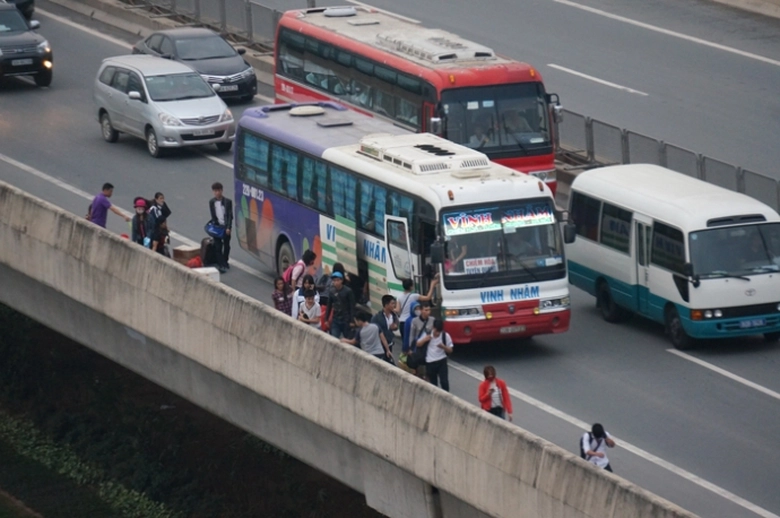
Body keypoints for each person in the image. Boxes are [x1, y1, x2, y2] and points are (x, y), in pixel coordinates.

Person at [396, 276, 439, 342]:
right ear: (411, 287)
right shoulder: (414, 296)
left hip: (402, 323)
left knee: (405, 341)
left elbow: (398, 310)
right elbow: (428, 297)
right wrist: (432, 285)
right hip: (411, 322)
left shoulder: (399, 296)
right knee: (412, 341)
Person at [418, 319, 453, 391]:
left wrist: (443, 347)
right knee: (433, 384)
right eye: (436, 331)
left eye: (439, 332)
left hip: (442, 361)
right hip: (430, 362)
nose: (437, 333)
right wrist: (425, 340)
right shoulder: (427, 334)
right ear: (433, 328)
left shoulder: (445, 335)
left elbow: (450, 350)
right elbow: (418, 344)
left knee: (444, 382)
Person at [208, 182, 233, 273]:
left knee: (227, 246)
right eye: (215, 191)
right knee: (218, 246)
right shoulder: (212, 202)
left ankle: (225, 261)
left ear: (222, 191)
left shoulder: (227, 202)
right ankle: (221, 264)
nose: (217, 193)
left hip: (225, 227)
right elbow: (213, 215)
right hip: (217, 227)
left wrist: (228, 227)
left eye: (218, 191)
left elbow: (230, 215)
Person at [325, 272, 355, 339]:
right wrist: (326, 319)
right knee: (334, 338)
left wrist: (352, 320)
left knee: (348, 338)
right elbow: (329, 305)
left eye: (338, 280)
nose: (336, 282)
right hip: (336, 319)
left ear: (341, 280)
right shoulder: (332, 291)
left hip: (346, 319)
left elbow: (352, 306)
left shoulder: (348, 291)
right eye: (334, 280)